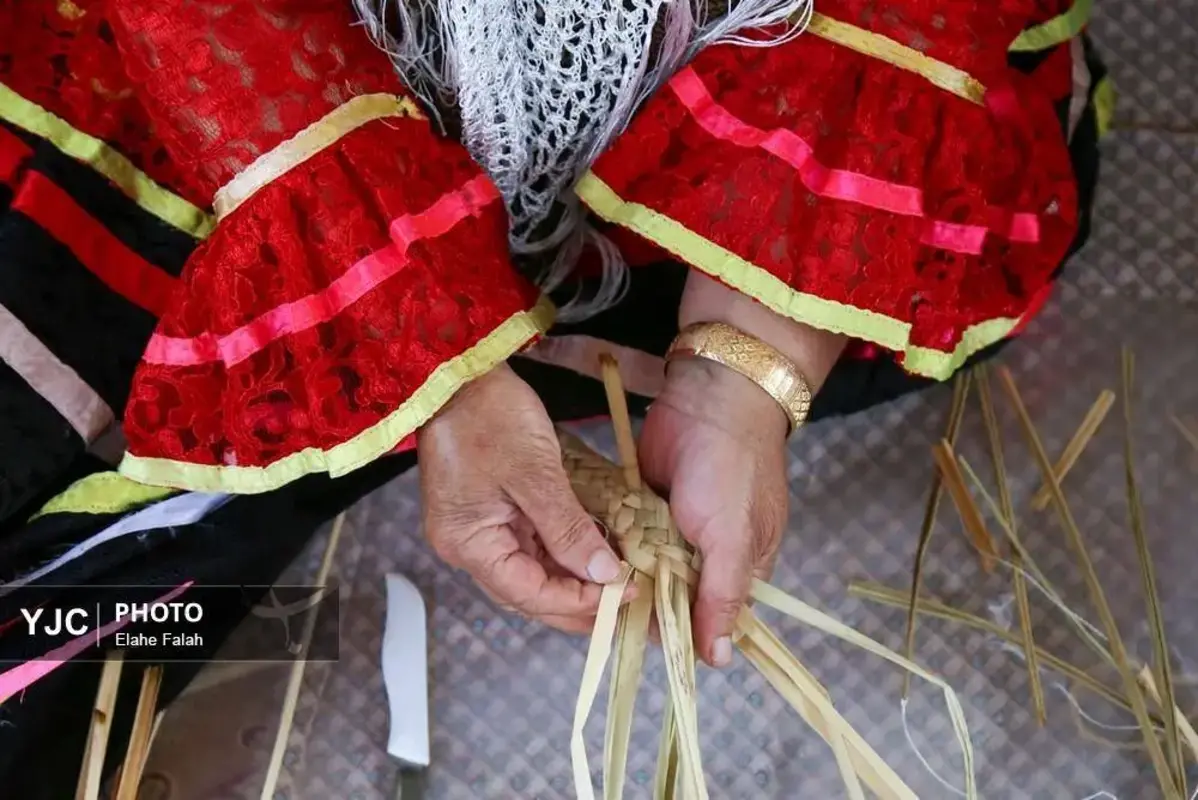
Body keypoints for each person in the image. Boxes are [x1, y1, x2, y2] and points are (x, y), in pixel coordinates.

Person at [0, 0, 1105, 686]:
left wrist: (747, 364)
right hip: (263, 86)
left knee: (923, 285)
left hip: (732, 87)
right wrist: (435, 365)